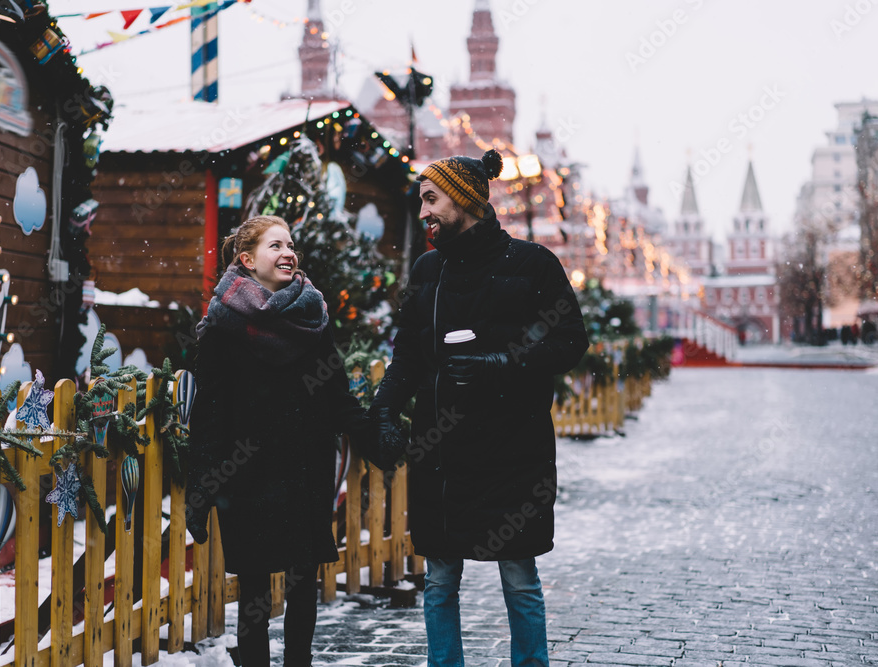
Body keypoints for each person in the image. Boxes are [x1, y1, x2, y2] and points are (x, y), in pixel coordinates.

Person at [370, 149, 589, 667]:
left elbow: (570, 341)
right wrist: (382, 411)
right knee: (440, 580)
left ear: (465, 199)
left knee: (519, 577)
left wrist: (502, 363)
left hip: (512, 450)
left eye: (431, 199)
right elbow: (408, 355)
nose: (423, 211)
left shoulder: (533, 264)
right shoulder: (427, 269)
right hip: (441, 453)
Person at [184, 215, 378, 667]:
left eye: (290, 245)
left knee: (302, 583)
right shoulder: (223, 326)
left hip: (304, 470)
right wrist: (202, 486)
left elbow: (336, 393)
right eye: (275, 246)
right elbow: (209, 412)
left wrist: (374, 435)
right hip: (247, 474)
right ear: (248, 260)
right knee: (254, 588)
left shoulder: (313, 318)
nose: (288, 252)